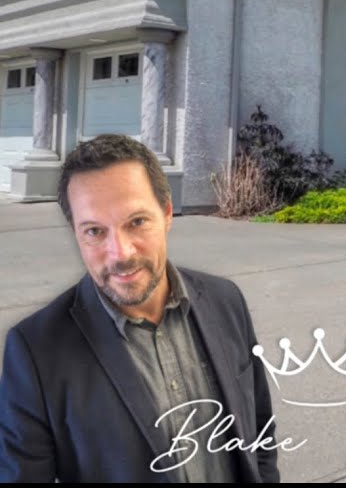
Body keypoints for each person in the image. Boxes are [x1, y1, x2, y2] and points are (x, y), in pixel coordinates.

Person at [0, 134, 280, 482]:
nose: (121, 253)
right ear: (75, 233)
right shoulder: (36, 350)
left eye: (136, 222)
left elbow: (260, 433)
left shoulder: (226, 302)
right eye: (95, 231)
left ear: (166, 214)